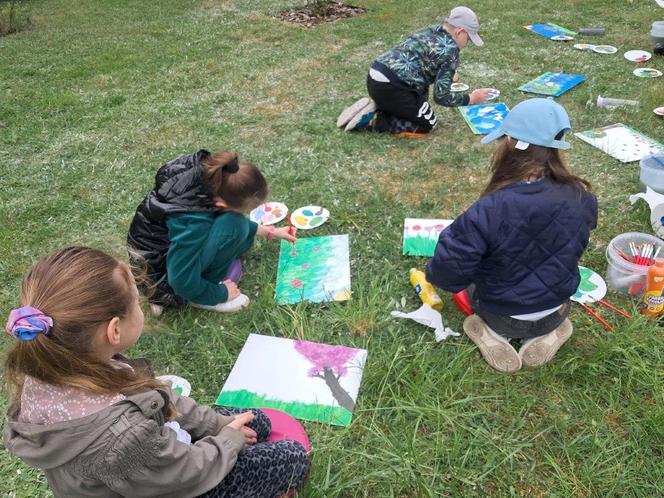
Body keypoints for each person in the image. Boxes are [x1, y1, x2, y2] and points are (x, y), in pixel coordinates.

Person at [3, 246, 309, 498]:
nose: (142, 306)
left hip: (156, 458)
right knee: (292, 458)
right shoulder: (120, 440)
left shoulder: (59, 363)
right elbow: (184, 476)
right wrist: (227, 441)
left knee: (258, 423)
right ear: (114, 329)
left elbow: (161, 399)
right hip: (175, 480)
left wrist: (220, 425)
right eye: (136, 301)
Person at [426, 99, 598, 372]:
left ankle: (492, 334)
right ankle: (550, 331)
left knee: (470, 286)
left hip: (502, 316)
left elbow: (447, 275)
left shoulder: (489, 209)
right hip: (557, 308)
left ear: (509, 141)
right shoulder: (581, 195)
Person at [127, 149, 296, 315]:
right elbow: (180, 279)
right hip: (163, 281)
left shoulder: (208, 183)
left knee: (238, 228)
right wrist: (220, 293)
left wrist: (271, 232)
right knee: (234, 225)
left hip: (167, 255)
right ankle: (199, 297)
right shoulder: (192, 221)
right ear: (221, 204)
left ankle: (208, 271)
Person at [336, 6, 495, 137]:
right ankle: (373, 119)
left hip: (375, 75)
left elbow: (419, 70)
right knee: (427, 124)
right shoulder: (450, 52)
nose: (467, 43)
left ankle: (379, 105)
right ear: (460, 32)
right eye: (468, 38)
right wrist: (470, 98)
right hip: (392, 87)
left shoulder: (432, 30)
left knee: (418, 105)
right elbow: (441, 97)